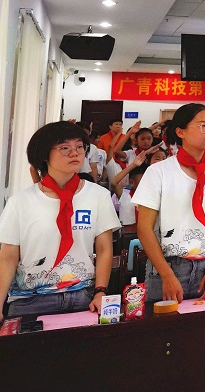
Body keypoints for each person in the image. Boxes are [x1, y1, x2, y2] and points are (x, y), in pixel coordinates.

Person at [0, 122, 121, 318]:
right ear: (44, 155)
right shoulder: (20, 202)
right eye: (65, 148)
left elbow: (104, 249)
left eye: (79, 146)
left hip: (83, 296)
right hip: (30, 300)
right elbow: (8, 257)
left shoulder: (98, 196)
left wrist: (100, 291)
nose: (75, 153)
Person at [132, 103, 205, 302]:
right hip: (168, 266)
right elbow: (144, 228)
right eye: (203, 125)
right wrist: (166, 275)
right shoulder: (159, 172)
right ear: (181, 132)